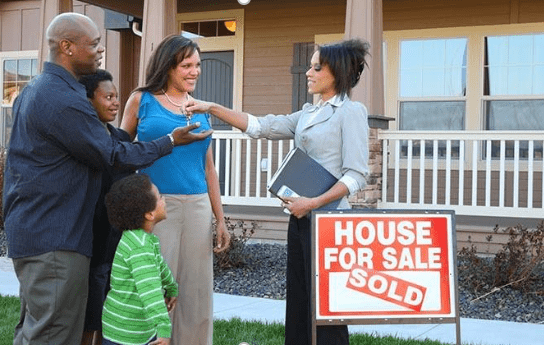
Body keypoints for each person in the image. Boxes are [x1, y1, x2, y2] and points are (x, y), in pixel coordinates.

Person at [2, 13, 211, 345]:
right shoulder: (62, 100)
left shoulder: (38, 90)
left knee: (38, 328)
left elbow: (110, 144)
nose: (100, 50)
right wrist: (169, 141)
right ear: (67, 47)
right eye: (94, 43)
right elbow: (111, 155)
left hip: (38, 230)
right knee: (53, 333)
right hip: (54, 236)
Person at [185, 38, 370, 345]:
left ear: (335, 73)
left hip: (328, 223)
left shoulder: (350, 112)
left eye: (316, 67)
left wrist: (313, 202)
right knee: (299, 299)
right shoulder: (309, 112)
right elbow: (263, 127)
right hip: (300, 219)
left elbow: (356, 175)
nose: (308, 73)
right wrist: (211, 107)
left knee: (326, 307)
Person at [119, 34, 230, 345]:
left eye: (197, 65)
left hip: (197, 206)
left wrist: (220, 219)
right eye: (186, 65)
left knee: (196, 288)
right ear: (168, 66)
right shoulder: (141, 100)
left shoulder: (201, 108)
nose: (194, 71)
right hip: (155, 207)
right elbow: (119, 152)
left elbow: (208, 169)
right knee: (156, 283)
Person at [78, 69, 132, 345]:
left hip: (117, 242)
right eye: (108, 97)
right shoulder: (80, 140)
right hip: (91, 242)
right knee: (90, 319)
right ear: (89, 101)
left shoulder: (121, 139)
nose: (115, 102)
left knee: (110, 319)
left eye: (117, 97)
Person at [102, 174, 177, 345]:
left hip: (135, 327)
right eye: (160, 197)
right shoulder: (140, 247)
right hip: (126, 334)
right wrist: (164, 328)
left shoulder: (141, 239)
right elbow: (149, 290)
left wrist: (171, 287)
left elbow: (160, 268)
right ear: (150, 214)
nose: (164, 200)